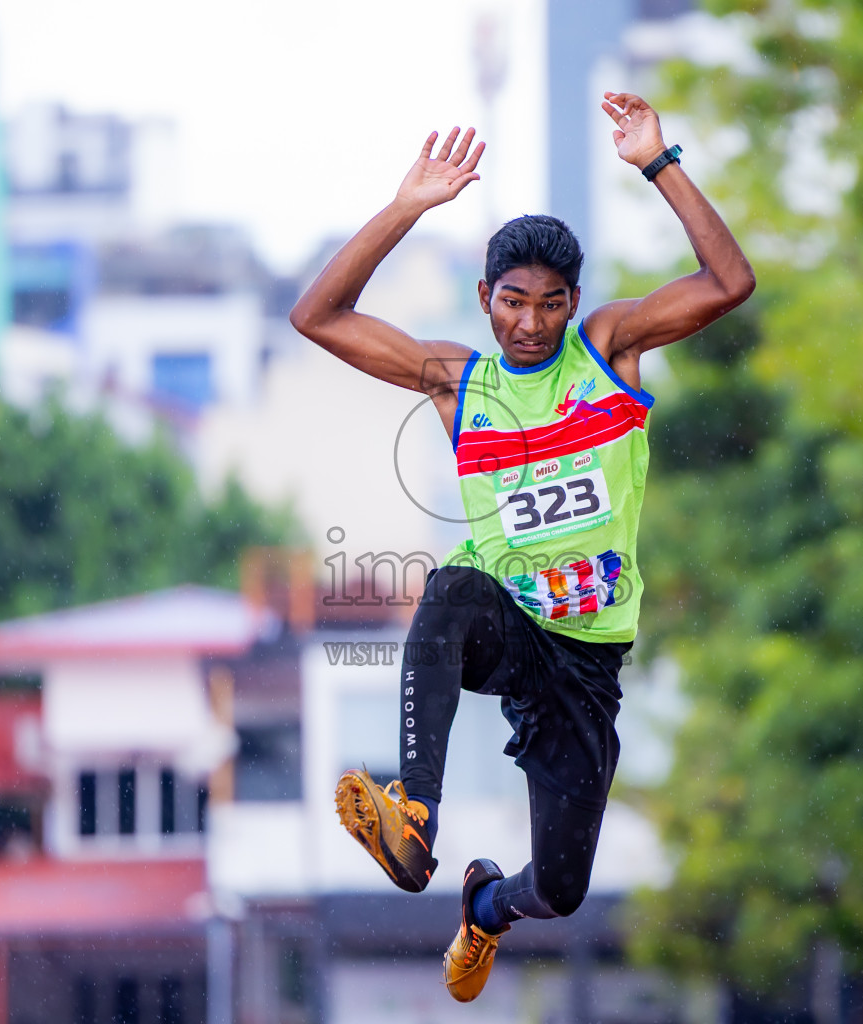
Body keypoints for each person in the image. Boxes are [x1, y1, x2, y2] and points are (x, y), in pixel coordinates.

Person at [289, 91, 755, 1002]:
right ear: (485, 300)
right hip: (507, 626)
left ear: (573, 302)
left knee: (562, 889)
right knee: (451, 590)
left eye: (549, 305)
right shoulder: (456, 380)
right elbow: (318, 316)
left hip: (586, 660)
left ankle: (484, 905)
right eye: (512, 303)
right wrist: (406, 207)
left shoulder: (608, 349)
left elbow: (729, 282)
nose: (531, 325)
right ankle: (414, 817)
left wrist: (659, 164)